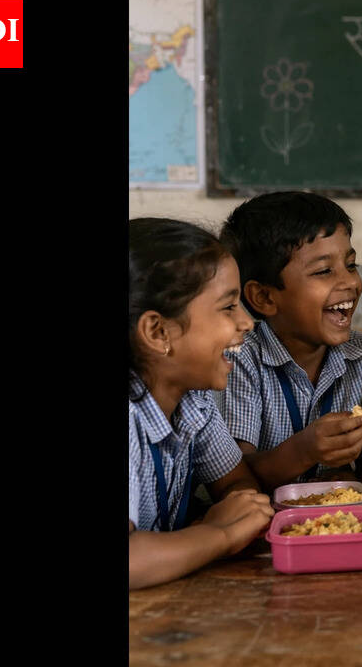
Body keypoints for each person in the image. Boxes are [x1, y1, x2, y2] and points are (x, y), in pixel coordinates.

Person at [129, 218, 274, 590]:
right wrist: (219, 535)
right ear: (158, 332)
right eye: (228, 307)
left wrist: (242, 511)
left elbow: (235, 480)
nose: (247, 322)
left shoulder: (195, 400)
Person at [219, 192, 362, 491]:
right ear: (265, 297)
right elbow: (233, 477)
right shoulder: (239, 359)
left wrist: (353, 479)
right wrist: (304, 451)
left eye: (351, 265)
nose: (350, 281)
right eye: (324, 271)